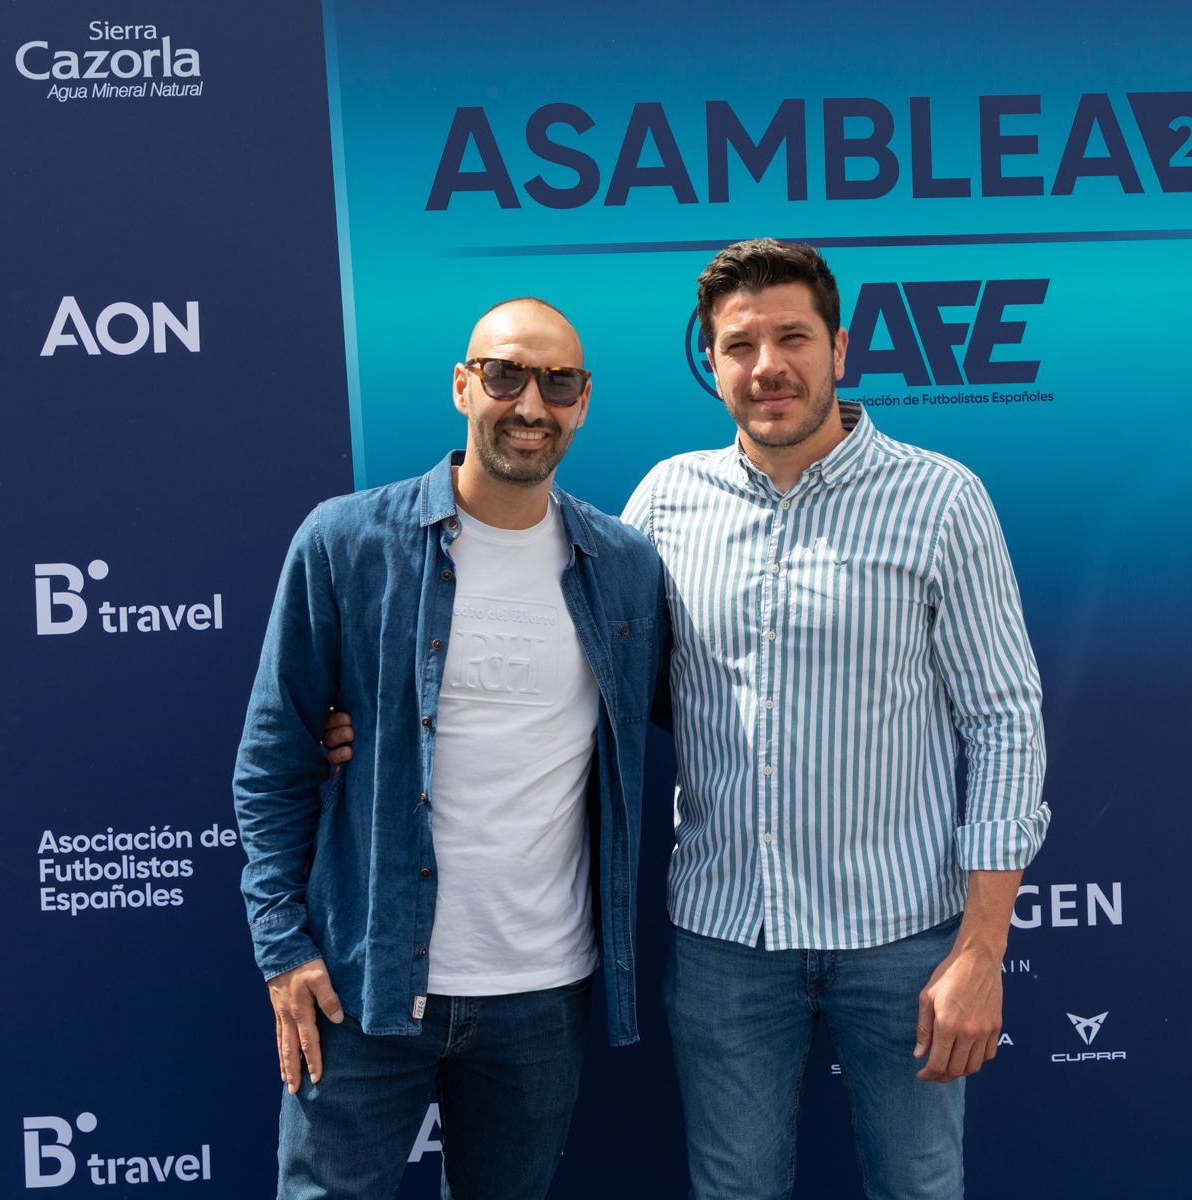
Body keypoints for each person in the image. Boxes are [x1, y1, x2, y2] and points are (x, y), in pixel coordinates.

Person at [327, 239, 1046, 1199]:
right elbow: (582, 672)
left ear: (840, 347)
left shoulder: (942, 501)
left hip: (903, 940)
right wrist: (370, 719)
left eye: (793, 338)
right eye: (738, 345)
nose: (767, 366)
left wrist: (982, 950)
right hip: (723, 945)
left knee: (921, 1190)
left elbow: (1004, 724)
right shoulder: (664, 505)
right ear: (711, 363)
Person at [234, 296, 666, 1200]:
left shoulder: (623, 566)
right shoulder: (348, 543)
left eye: (559, 383)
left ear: (584, 403)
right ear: (464, 386)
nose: (531, 404)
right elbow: (274, 762)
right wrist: (283, 950)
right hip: (364, 984)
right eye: (506, 375)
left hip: (542, 995)